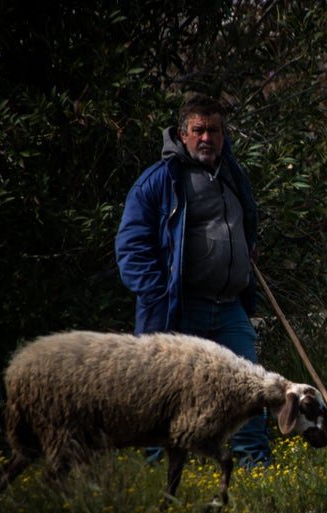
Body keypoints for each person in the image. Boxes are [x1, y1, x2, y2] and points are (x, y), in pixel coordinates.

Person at [115, 93, 271, 468]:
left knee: (252, 392)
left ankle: (257, 466)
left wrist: (248, 252)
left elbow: (243, 225)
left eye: (213, 130)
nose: (206, 138)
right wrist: (158, 293)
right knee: (165, 397)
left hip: (230, 308)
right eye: (198, 130)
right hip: (181, 311)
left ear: (223, 134)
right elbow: (131, 248)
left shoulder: (233, 174)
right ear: (183, 133)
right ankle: (156, 471)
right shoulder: (159, 181)